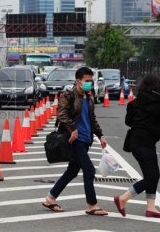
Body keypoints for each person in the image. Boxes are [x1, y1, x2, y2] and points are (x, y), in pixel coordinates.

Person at [114, 74, 160, 219]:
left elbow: (128, 122)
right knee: (152, 176)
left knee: (151, 175)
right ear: (158, 87)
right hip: (145, 143)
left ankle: (151, 208)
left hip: (136, 142)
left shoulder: (135, 102)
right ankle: (123, 199)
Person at [42, 66, 108, 216]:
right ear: (78, 80)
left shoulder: (89, 97)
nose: (90, 84)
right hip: (74, 139)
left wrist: (101, 135)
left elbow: (92, 120)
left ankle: (50, 199)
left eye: (91, 81)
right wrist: (73, 129)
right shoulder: (68, 95)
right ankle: (92, 205)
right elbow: (61, 114)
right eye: (87, 81)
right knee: (89, 170)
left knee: (72, 171)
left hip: (86, 139)